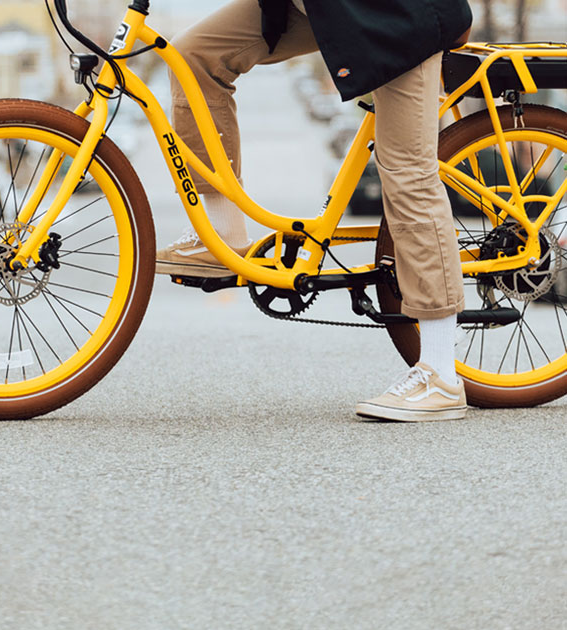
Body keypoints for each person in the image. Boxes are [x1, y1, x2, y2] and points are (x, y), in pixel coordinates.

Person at [155, 0, 473, 422]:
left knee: (407, 170)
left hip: (397, 14)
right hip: (324, 8)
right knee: (191, 55)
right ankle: (222, 234)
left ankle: (440, 375)